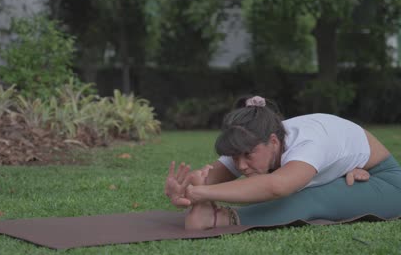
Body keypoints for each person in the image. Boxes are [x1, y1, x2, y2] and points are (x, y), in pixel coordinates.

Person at [165, 95, 401, 230]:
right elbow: (211, 177)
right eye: (236, 157)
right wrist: (187, 191)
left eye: (247, 156)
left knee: (303, 195)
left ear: (274, 142)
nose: (242, 165)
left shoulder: (308, 143)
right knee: (299, 184)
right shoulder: (253, 138)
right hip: (350, 174)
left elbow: (277, 186)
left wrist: (204, 193)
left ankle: (219, 219)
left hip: (390, 184)